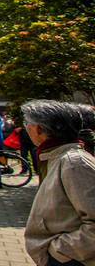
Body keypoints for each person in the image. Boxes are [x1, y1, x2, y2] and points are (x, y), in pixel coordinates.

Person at [21, 99, 95, 266]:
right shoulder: (56, 157)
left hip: (73, 259)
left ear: (40, 128)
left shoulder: (74, 163)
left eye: (27, 123)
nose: (26, 127)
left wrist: (60, 251)